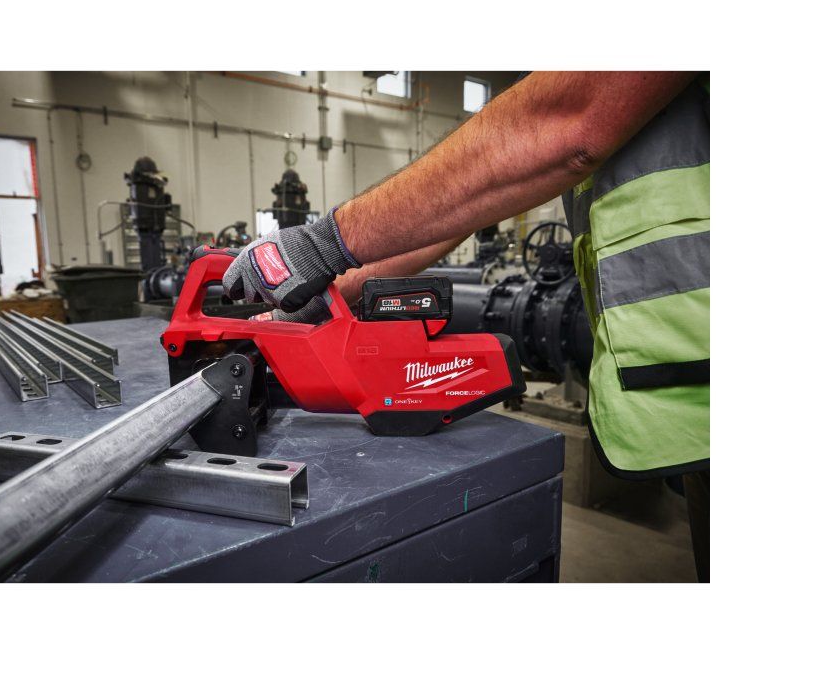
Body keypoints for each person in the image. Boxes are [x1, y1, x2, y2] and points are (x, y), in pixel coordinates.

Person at [223, 72, 710, 581]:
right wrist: (320, 293)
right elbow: (458, 213)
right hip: (688, 375)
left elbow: (568, 121)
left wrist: (325, 241)